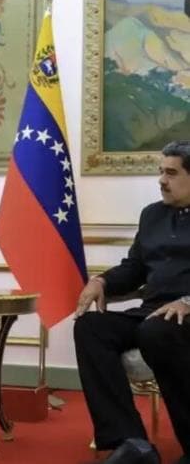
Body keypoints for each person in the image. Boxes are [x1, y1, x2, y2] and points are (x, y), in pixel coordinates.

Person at [74, 140, 190, 464]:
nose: (161, 181)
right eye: (160, 172)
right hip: (151, 312)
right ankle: (131, 442)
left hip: (184, 315)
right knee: (90, 327)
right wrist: (101, 281)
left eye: (171, 173)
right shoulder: (151, 215)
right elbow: (135, 268)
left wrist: (187, 301)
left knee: (156, 332)